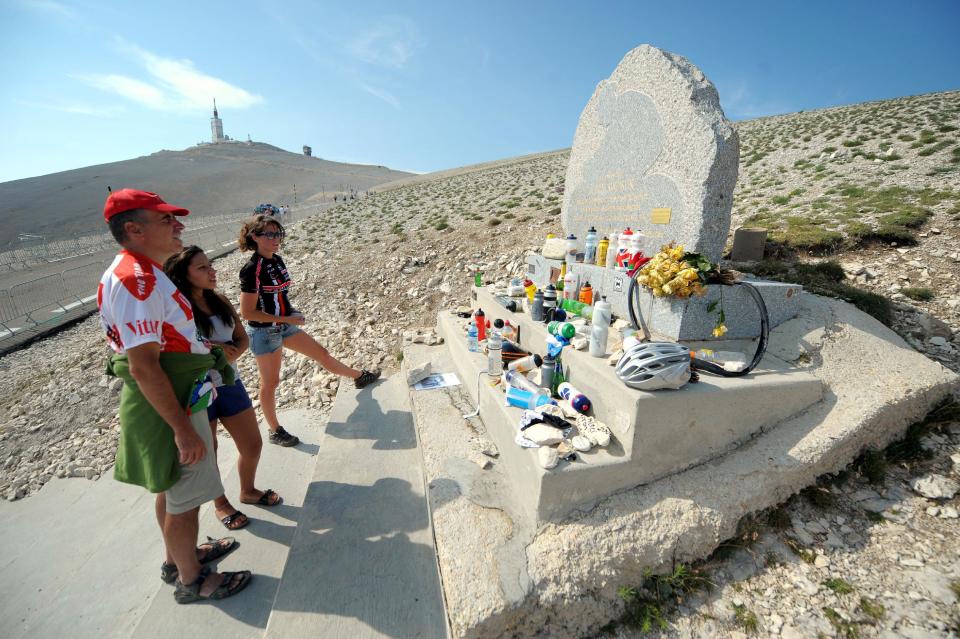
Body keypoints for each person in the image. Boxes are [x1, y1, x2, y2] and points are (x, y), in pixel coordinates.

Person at [97, 188, 251, 603]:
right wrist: (183, 430)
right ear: (134, 229)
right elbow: (145, 366)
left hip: (179, 391)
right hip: (174, 400)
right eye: (166, 220)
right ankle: (193, 580)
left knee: (170, 487)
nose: (178, 225)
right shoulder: (137, 281)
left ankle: (177, 559)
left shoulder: (143, 271)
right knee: (185, 497)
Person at [163, 246, 283, 530]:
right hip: (197, 391)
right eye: (202, 268)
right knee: (211, 450)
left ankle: (248, 490)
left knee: (252, 444)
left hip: (229, 383)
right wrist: (215, 350)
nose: (212, 271)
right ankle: (221, 504)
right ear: (183, 275)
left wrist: (231, 353)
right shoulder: (177, 311)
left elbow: (241, 337)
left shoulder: (219, 301)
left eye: (210, 265)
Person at [237, 214, 380, 446]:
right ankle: (274, 431)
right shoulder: (251, 269)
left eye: (278, 233)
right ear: (255, 236)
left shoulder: (277, 260)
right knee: (270, 383)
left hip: (284, 325)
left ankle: (359, 377)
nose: (276, 239)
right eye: (270, 234)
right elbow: (248, 312)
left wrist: (290, 313)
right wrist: (286, 318)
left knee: (321, 354)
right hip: (264, 333)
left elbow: (280, 295)